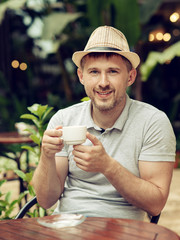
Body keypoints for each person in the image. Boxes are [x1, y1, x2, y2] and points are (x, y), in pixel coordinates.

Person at [32, 26, 176, 220]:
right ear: (81, 77)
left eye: (113, 71)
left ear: (130, 77)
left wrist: (108, 166)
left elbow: (156, 204)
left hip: (124, 230)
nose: (103, 82)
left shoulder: (152, 122)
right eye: (94, 72)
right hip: (67, 227)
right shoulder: (64, 120)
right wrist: (47, 156)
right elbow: (45, 200)